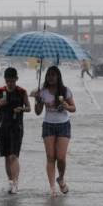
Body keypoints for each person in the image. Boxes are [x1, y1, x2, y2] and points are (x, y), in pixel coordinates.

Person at [33, 66, 76, 197]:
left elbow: (73, 108)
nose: (51, 77)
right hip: (48, 126)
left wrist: (67, 106)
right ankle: (52, 187)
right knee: (50, 157)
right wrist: (38, 101)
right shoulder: (42, 92)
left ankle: (61, 178)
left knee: (61, 157)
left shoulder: (65, 91)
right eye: (48, 75)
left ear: (58, 77)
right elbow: (38, 112)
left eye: (53, 75)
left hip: (63, 125)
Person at [0, 67, 31, 194]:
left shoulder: (22, 92)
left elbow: (29, 108)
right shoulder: (0, 91)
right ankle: (10, 181)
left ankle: (15, 182)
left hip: (17, 127)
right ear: (5, 80)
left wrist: (21, 109)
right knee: (6, 157)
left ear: (16, 79)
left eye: (12, 81)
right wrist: (0, 104)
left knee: (14, 155)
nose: (10, 83)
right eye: (8, 81)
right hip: (3, 127)